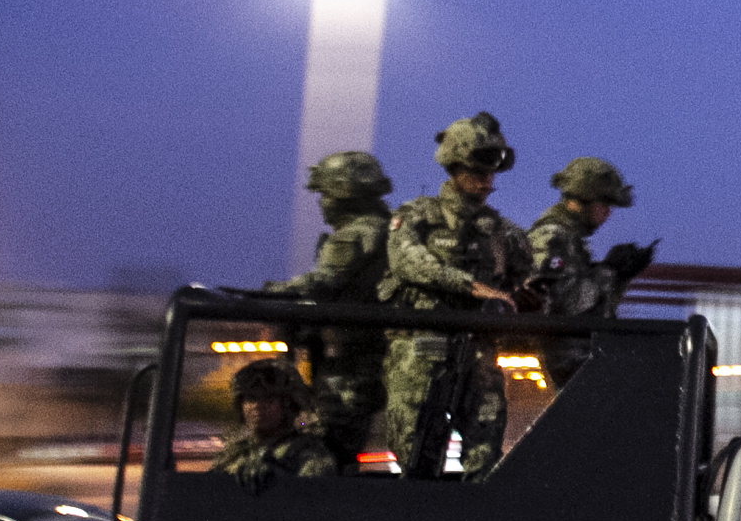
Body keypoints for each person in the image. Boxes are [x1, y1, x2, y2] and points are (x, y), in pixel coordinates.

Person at [377, 112, 533, 479]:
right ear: (454, 168)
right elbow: (408, 263)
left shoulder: (504, 233)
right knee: (417, 456)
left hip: (478, 351)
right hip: (422, 352)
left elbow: (521, 282)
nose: (486, 182)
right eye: (477, 173)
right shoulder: (417, 217)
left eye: (491, 174)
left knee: (485, 454)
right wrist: (469, 286)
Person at [261, 150, 394, 468]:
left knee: (327, 449)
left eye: (324, 194)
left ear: (343, 194)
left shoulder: (356, 234)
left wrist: (271, 293)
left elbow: (323, 282)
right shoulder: (388, 230)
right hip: (370, 359)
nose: (321, 203)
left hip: (350, 366)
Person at [526, 157, 656, 385]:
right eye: (604, 204)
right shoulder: (550, 237)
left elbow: (593, 305)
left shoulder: (570, 239)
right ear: (582, 199)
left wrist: (620, 275)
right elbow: (563, 303)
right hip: (564, 366)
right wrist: (610, 271)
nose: (607, 213)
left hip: (582, 364)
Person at [210, 360, 337, 486]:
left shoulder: (310, 453)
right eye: (250, 399)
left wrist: (277, 477)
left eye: (268, 400)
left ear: (286, 406)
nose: (257, 406)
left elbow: (313, 494)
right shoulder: (234, 453)